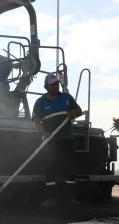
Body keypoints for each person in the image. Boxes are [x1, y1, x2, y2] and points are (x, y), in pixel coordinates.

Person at [32, 72, 84, 206]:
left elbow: (79, 110)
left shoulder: (66, 97)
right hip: (50, 141)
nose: (55, 86)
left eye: (56, 84)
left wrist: (74, 113)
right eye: (52, 85)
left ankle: (71, 197)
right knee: (50, 167)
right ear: (46, 86)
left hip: (66, 138)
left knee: (69, 167)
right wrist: (44, 133)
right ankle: (51, 198)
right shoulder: (40, 102)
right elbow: (36, 121)